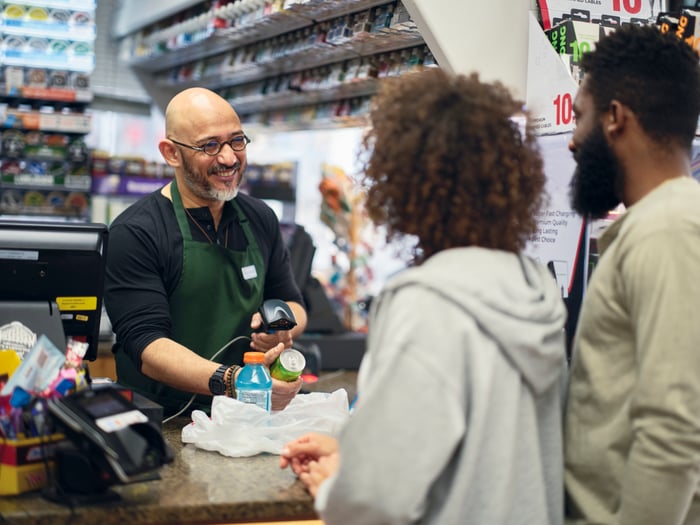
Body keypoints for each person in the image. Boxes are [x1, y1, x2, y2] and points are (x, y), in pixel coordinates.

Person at [280, 68, 568, 525]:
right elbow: (481, 445)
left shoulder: (427, 303)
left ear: (404, 183)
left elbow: (375, 501)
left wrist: (337, 486)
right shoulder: (532, 288)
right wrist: (354, 446)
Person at [564, 24, 700, 525]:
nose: (574, 141)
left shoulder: (669, 230)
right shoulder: (659, 224)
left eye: (581, 117)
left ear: (616, 118)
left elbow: (673, 430)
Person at [103, 87, 307, 417]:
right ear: (171, 153)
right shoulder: (136, 232)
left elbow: (295, 303)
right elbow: (148, 345)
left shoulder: (260, 218)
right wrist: (232, 381)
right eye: (210, 145)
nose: (228, 158)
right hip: (162, 422)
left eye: (236, 141)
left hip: (244, 415)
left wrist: (281, 328)